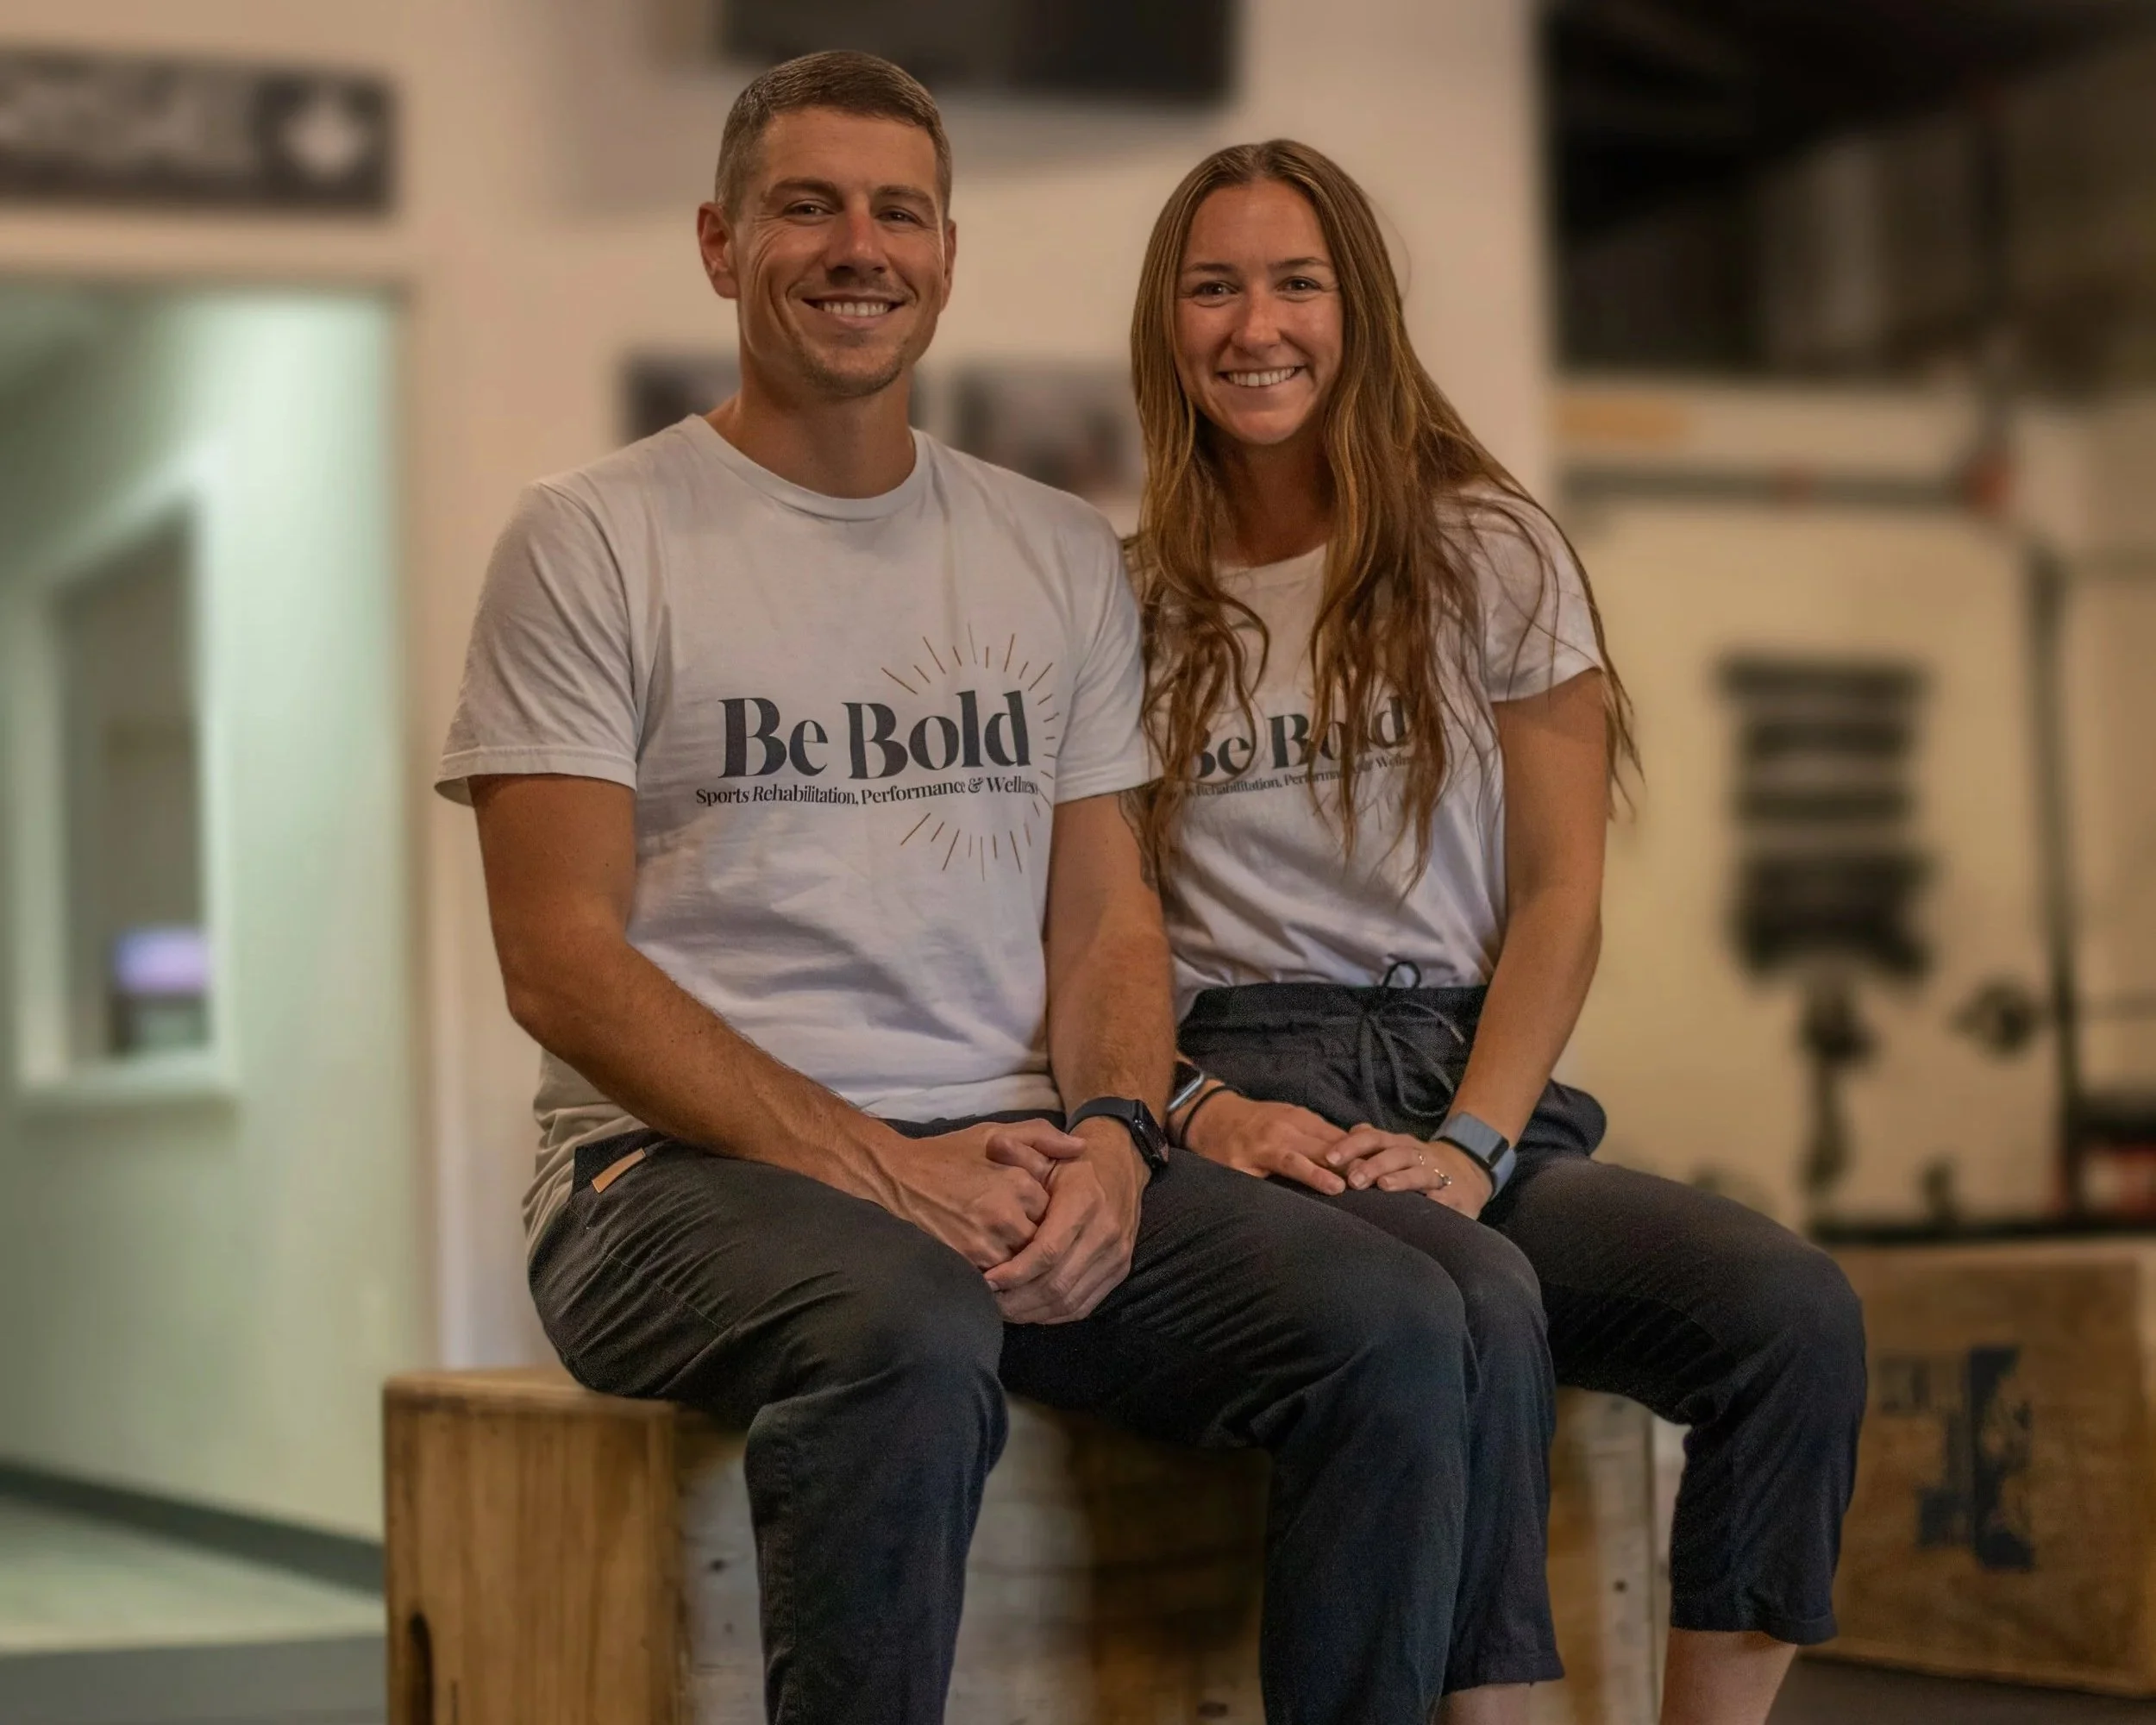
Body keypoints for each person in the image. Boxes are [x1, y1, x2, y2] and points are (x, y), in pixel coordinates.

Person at [437, 55, 1495, 1725]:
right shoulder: (591, 538)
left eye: (896, 211)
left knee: (1384, 1316)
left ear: (944, 253)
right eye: (806, 206)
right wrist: (880, 1166)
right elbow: (559, 962)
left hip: (1012, 1148)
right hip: (665, 1182)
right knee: (905, 1326)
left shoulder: (1050, 547)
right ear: (721, 245)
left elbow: (1106, 918)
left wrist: (1114, 1142)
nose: (857, 246)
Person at [1126, 139, 1869, 1725]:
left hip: (1471, 1078)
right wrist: (1198, 1114)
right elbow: (1100, 928)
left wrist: (1473, 1137)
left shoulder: (1489, 549)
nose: (1257, 325)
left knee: (1791, 1316)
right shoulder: (1125, 598)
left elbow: (1558, 897)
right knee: (1473, 1302)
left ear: (1361, 311)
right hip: (1253, 1091)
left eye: (1297, 282)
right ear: (1166, 327)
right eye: (1215, 288)